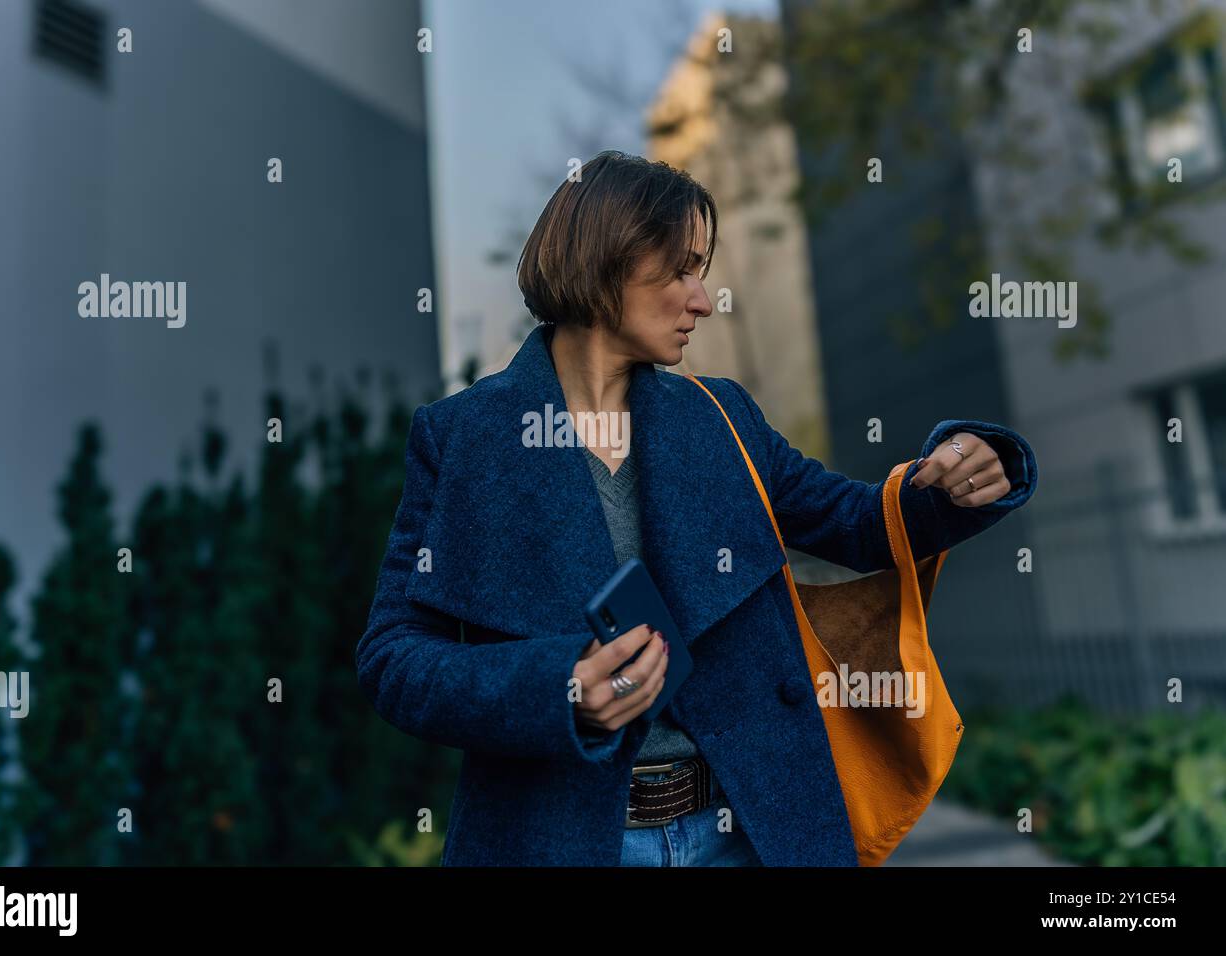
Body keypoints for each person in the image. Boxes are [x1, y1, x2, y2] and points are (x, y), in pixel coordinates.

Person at [355, 150, 1038, 867]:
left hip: (750, 831)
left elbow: (862, 524)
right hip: (562, 839)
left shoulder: (722, 417)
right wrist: (557, 687)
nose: (703, 300)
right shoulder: (462, 436)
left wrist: (958, 475)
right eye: (681, 269)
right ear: (605, 260)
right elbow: (395, 659)